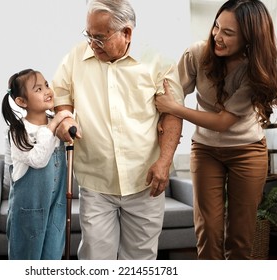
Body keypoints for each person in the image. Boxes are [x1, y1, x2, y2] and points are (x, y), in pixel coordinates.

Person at [51, 0, 184, 260]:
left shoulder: (158, 62)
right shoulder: (75, 58)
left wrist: (165, 161)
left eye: (100, 37)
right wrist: (65, 118)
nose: (92, 43)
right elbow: (61, 97)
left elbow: (172, 115)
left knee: (140, 259)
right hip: (96, 180)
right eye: (88, 35)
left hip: (144, 180)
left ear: (127, 33)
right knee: (95, 259)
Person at [155, 0, 277, 259]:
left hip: (247, 151)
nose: (217, 36)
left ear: (250, 38)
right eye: (217, 26)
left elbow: (223, 122)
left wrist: (176, 108)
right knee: (208, 232)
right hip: (206, 151)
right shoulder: (197, 54)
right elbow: (172, 94)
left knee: (240, 238)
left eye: (228, 32)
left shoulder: (254, 69)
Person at [1, 69, 73, 260]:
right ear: (22, 102)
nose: (47, 91)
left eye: (47, 85)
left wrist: (59, 120)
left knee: (52, 258)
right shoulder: (18, 132)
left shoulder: (59, 125)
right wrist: (53, 124)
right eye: (38, 89)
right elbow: (38, 160)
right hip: (27, 212)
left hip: (55, 209)